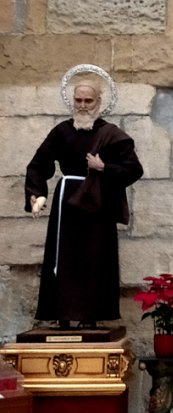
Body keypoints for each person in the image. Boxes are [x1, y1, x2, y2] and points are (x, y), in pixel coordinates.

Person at [25, 65, 143, 328]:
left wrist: (104, 168)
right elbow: (38, 164)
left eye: (88, 100)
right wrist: (37, 194)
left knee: (94, 258)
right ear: (71, 101)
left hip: (97, 204)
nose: (82, 105)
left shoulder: (111, 134)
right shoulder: (62, 132)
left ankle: (90, 317)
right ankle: (62, 315)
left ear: (99, 102)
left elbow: (134, 169)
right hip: (67, 202)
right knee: (63, 257)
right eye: (78, 100)